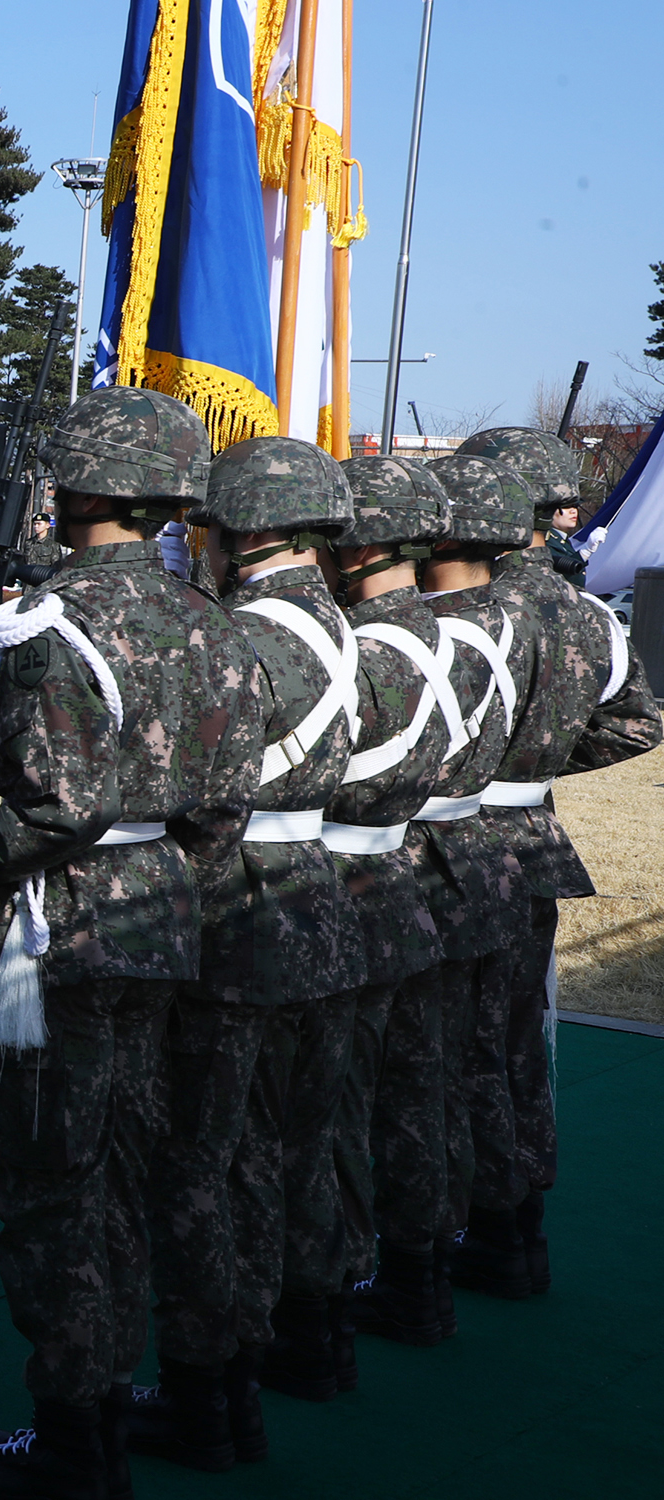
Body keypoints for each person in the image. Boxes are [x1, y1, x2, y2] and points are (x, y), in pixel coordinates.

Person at [0, 387, 260, 1500]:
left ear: (80, 490)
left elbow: (60, 808)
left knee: (54, 1189)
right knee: (131, 1170)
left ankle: (72, 1441)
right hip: (162, 919)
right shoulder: (211, 620)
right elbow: (225, 803)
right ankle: (123, 1401)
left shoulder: (52, 624)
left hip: (55, 938)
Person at [130, 439, 362, 1473]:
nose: (194, 541)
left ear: (241, 529)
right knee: (282, 1149)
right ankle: (291, 1346)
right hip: (317, 901)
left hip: (237, 913)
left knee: (199, 1164)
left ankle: (202, 1392)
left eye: (202, 525)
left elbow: (186, 782)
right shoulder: (340, 625)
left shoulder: (243, 635)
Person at [450, 427, 661, 1297]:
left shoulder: (466, 613)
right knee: (516, 1043)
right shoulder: (581, 615)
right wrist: (539, 766)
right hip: (529, 838)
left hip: (455, 844)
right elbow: (640, 723)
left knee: (449, 1049)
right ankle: (517, 1226)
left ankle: (456, 1230)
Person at [269, 456, 463, 1403]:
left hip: (335, 884)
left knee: (321, 1124)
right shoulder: (435, 636)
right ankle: (401, 1291)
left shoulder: (373, 650)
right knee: (398, 1105)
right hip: (398, 882)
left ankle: (315, 1321)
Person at [347, 456, 529, 1352]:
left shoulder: (413, 638)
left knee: (409, 1086)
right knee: (467, 1068)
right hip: (478, 856)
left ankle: (409, 1274)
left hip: (410, 866)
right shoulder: (487, 626)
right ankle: (481, 1240)